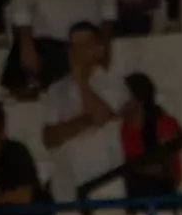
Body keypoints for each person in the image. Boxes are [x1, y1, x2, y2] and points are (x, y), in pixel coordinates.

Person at [41, 21, 131, 198]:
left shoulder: (114, 83)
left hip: (105, 182)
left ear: (98, 48)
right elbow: (50, 138)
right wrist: (84, 121)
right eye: (73, 46)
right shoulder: (57, 89)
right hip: (67, 184)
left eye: (84, 45)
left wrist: (82, 83)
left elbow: (100, 116)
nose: (78, 52)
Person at [120, 73, 182, 200]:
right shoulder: (125, 127)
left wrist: (134, 170)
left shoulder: (162, 123)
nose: (122, 101)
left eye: (127, 96)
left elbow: (163, 167)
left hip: (159, 187)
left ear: (138, 99)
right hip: (136, 187)